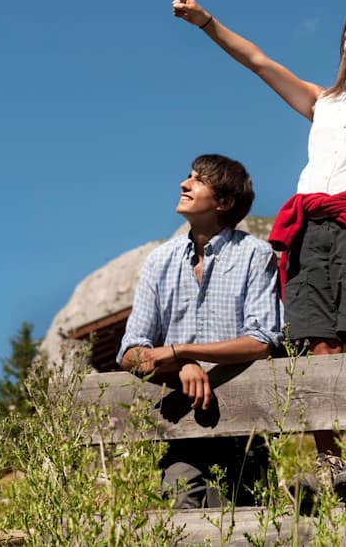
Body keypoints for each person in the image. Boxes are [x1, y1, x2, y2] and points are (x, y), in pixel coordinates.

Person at [166, 0, 346, 506]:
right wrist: (206, 21)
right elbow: (259, 61)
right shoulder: (322, 101)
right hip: (309, 229)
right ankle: (332, 460)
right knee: (315, 341)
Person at [117, 153, 282, 509]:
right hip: (181, 427)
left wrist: (182, 351)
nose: (184, 183)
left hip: (244, 424)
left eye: (198, 180)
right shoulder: (159, 261)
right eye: (188, 176)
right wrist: (183, 364)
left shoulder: (256, 255)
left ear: (224, 202)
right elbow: (130, 352)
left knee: (244, 524)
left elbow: (261, 341)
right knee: (181, 518)